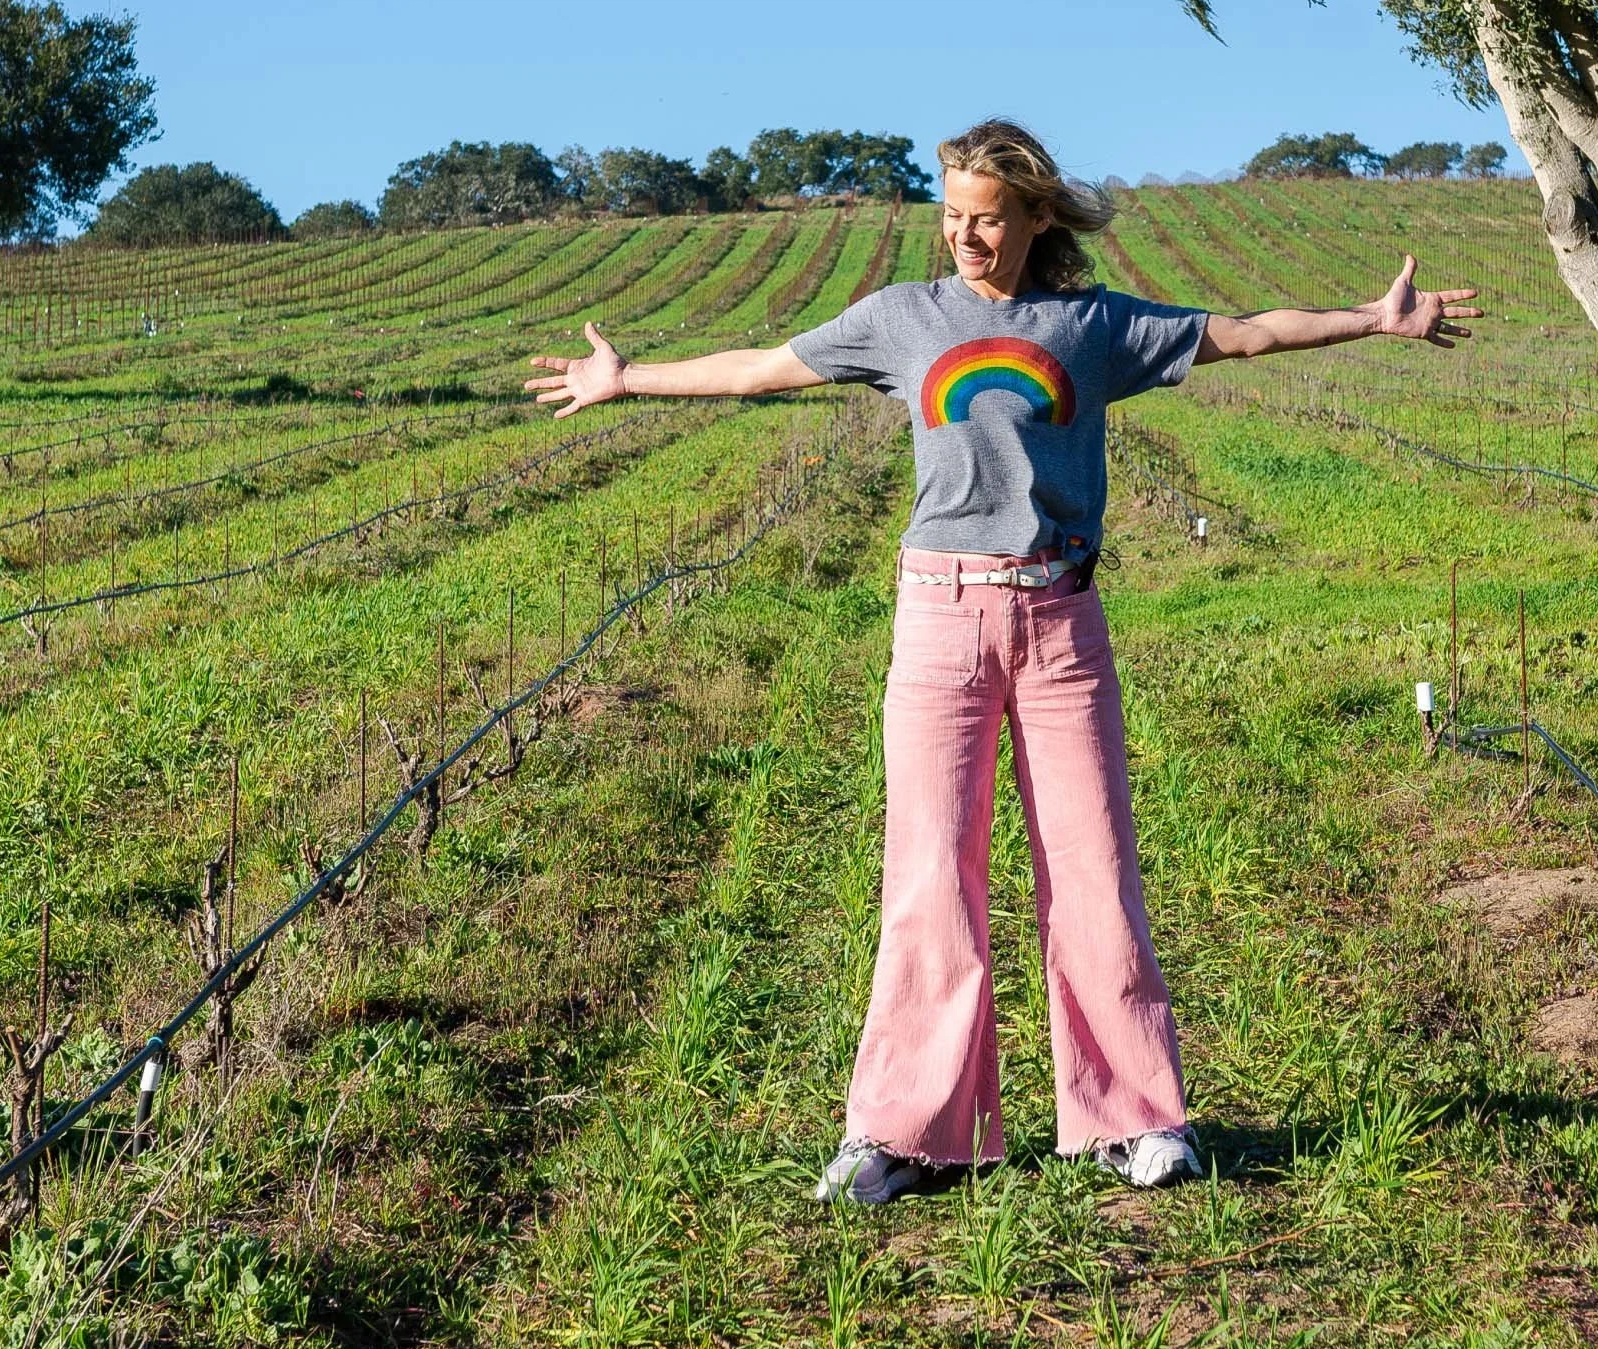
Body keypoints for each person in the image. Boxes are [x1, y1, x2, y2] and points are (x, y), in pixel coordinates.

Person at [523, 118, 1478, 1204]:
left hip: (1062, 622)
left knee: (1095, 870)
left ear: (1033, 217)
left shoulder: (1091, 325)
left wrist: (1372, 319)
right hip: (938, 620)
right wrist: (628, 376)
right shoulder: (901, 318)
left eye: (986, 217)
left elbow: (1244, 332)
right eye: (950, 218)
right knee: (929, 874)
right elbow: (758, 370)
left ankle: (1133, 1120)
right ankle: (904, 1132)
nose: (966, 238)